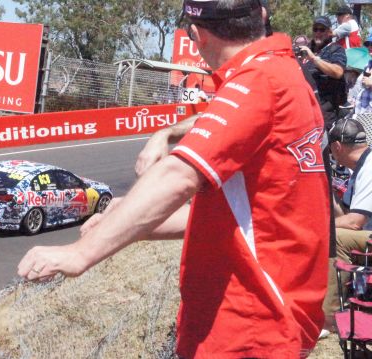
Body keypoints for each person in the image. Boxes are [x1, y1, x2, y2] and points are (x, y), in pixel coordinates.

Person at [17, 0, 330, 358]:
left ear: (196, 34)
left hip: (250, 324)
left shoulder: (259, 81)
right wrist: (129, 221)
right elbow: (242, 216)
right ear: (260, 16)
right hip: (271, 318)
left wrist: (79, 254)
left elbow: (179, 174)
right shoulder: (286, 72)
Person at [324, 117, 372, 323]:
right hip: (367, 236)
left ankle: (331, 315)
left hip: (367, 234)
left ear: (336, 146)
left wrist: (318, 224)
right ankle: (356, 297)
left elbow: (354, 223)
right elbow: (345, 217)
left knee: (336, 237)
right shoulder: (360, 166)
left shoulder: (369, 167)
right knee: (337, 232)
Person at [299, 16, 347, 129]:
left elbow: (338, 72)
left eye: (322, 29)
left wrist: (314, 59)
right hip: (304, 110)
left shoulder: (336, 49)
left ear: (329, 32)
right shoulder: (306, 49)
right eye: (315, 29)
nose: (318, 33)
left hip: (325, 111)